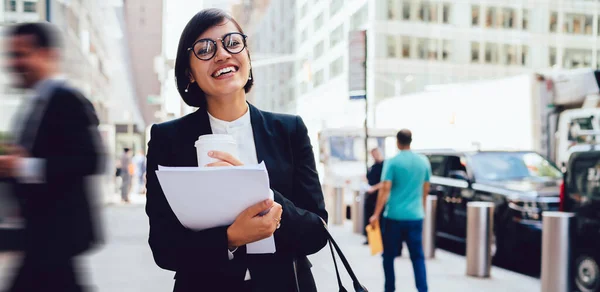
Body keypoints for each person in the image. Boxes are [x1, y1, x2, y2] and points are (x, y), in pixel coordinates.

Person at [145, 9, 328, 292]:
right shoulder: (167, 139)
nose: (222, 55)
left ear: (247, 56)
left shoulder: (289, 130)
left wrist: (260, 191)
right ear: (188, 73)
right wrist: (229, 238)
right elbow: (163, 248)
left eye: (232, 42)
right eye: (205, 49)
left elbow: (317, 232)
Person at [0, 22, 104, 292]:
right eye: (12, 54)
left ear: (47, 54)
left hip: (57, 236)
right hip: (40, 237)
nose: (15, 62)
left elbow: (90, 160)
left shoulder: (68, 100)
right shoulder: (35, 103)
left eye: (22, 54)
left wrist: (24, 166)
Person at [370, 129, 431, 292]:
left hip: (394, 217)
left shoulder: (392, 162)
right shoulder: (423, 162)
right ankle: (423, 289)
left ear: (398, 142)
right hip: (415, 216)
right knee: (417, 256)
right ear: (411, 141)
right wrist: (422, 209)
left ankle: (389, 289)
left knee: (388, 256)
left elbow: (385, 190)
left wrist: (376, 214)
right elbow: (426, 189)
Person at [363, 148, 384, 245]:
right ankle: (370, 238)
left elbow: (385, 183)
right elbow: (368, 179)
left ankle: (380, 239)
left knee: (380, 218)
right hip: (370, 196)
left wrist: (374, 188)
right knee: (369, 216)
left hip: (379, 196)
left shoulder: (385, 166)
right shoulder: (372, 167)